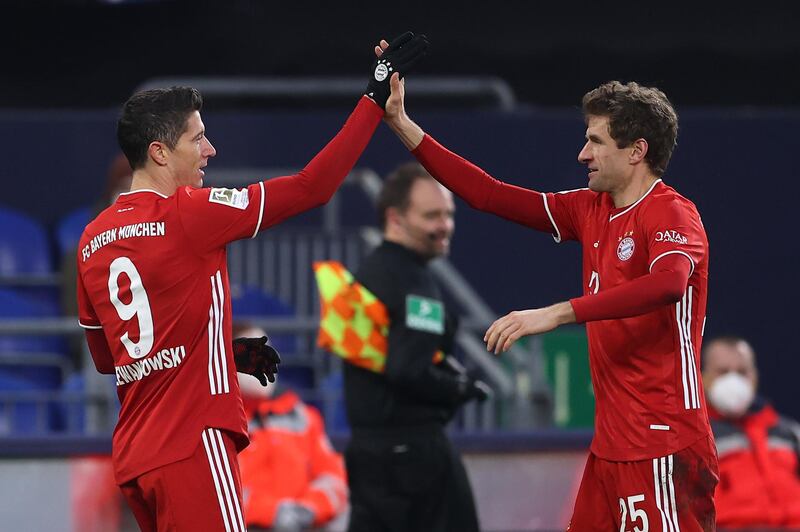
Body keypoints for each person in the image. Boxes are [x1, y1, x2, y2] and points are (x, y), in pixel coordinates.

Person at [75, 32, 428, 531]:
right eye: (197, 138)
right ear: (158, 152)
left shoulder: (91, 240)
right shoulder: (189, 213)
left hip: (137, 459)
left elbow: (112, 359)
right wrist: (372, 98)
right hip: (194, 445)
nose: (210, 150)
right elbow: (314, 186)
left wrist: (220, 355)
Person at [379, 55, 718, 531]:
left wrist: (556, 314)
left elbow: (667, 284)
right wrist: (401, 123)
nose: (583, 154)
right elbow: (488, 194)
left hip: (663, 441)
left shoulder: (672, 213)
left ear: (637, 150)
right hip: (612, 447)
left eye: (595, 141)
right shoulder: (590, 209)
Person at [344, 162, 488, 532]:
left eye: (449, 215)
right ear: (395, 218)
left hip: (369, 455)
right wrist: (459, 387)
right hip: (413, 458)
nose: (445, 227)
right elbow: (408, 369)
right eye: (432, 216)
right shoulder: (413, 283)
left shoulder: (371, 272)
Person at [234, 323, 348, 532]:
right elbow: (213, 492)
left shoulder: (304, 417)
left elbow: (334, 478)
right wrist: (272, 513)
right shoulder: (216, 422)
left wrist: (309, 508)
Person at [702, 336, 800, 528]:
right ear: (704, 378)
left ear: (754, 376)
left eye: (742, 372)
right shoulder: (696, 439)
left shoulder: (789, 433)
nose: (733, 379)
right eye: (723, 372)